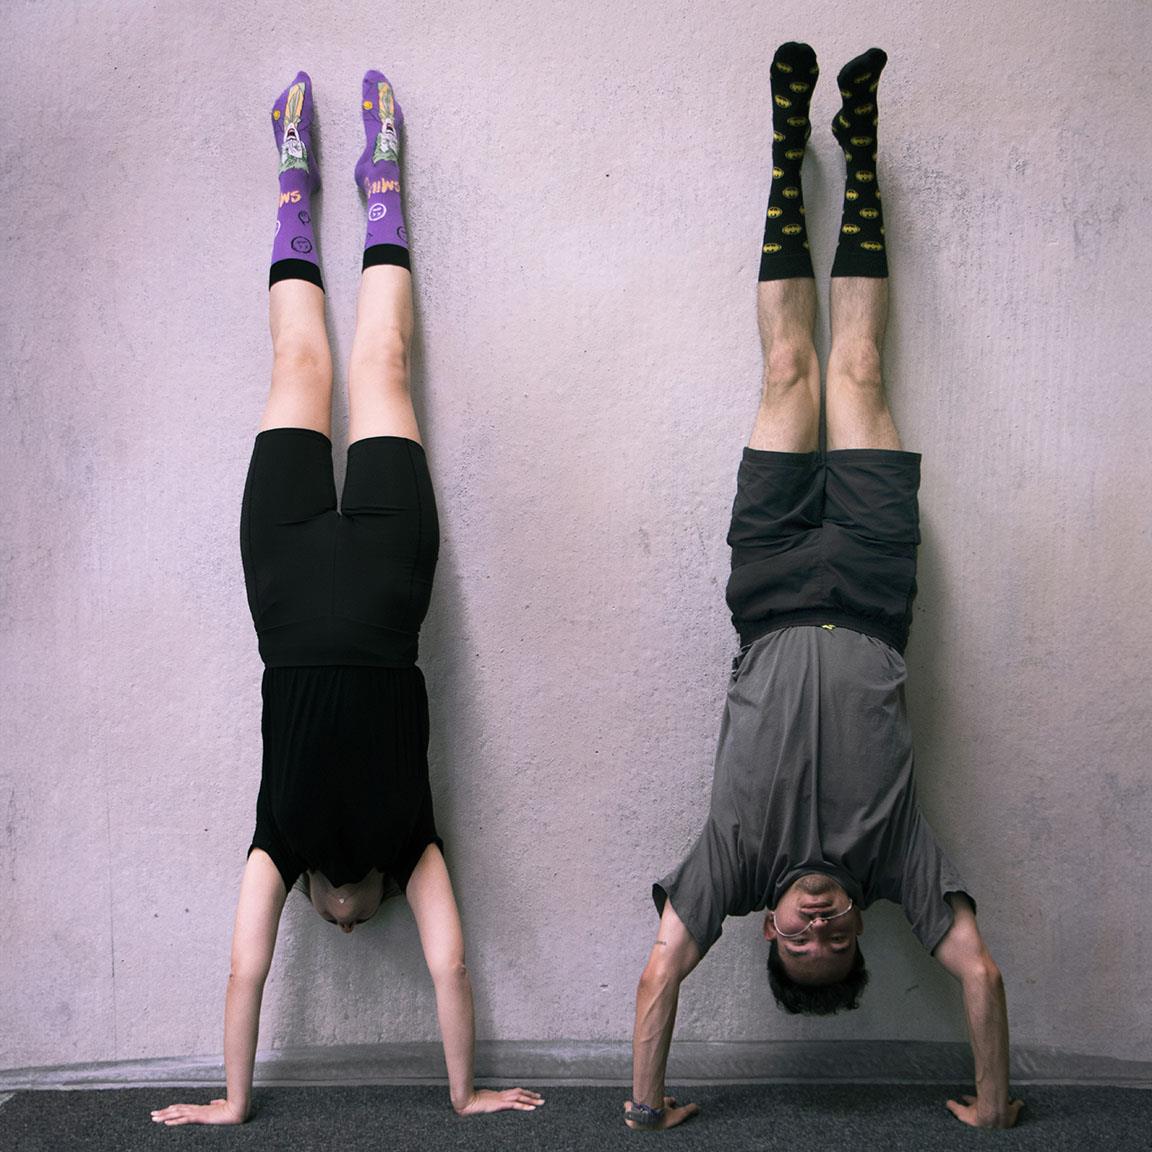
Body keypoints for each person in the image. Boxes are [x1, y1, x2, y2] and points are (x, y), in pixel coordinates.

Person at [624, 44, 1022, 1132]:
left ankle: (784, 152)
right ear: (858, 926)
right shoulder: (898, 865)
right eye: (836, 940)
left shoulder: (730, 867)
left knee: (788, 370)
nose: (821, 927)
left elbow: (659, 973)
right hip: (876, 583)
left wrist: (645, 1106)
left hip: (769, 583)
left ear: (765, 928)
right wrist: (993, 1105)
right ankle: (862, 147)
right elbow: (980, 974)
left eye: (802, 940)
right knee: (857, 370)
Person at [151, 71, 542, 1127]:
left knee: (310, 361)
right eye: (353, 922)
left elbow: (246, 970)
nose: (346, 923)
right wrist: (462, 1095)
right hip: (374, 581)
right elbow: (446, 964)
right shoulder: (404, 845)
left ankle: (296, 182)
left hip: (295, 584)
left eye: (331, 924)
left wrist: (233, 1103)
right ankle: (379, 190)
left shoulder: (285, 843)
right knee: (375, 365)